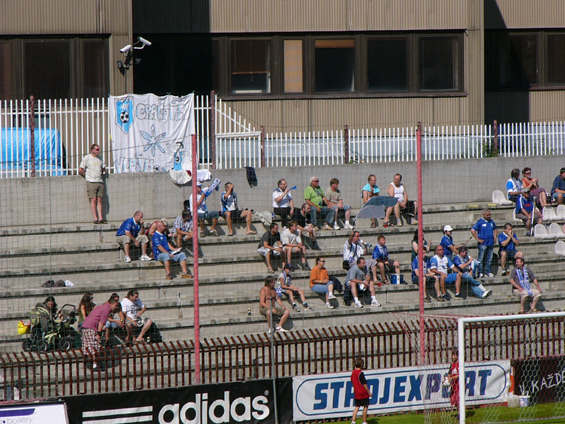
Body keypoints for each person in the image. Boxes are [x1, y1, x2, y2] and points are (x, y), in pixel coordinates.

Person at [81, 296, 120, 371]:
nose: (116, 308)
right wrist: (99, 334)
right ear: (113, 304)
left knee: (87, 346)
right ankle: (94, 364)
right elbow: (101, 323)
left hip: (85, 326)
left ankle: (88, 363)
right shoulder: (106, 310)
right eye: (116, 306)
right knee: (94, 346)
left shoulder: (102, 307)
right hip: (91, 328)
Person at [79, 143, 106, 224]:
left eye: (99, 149)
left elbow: (103, 168)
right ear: (93, 150)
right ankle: (95, 218)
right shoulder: (87, 158)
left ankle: (101, 218)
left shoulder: (100, 158)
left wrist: (101, 172)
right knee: (93, 199)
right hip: (91, 182)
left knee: (99, 199)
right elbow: (80, 169)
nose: (99, 151)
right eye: (97, 149)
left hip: (99, 181)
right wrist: (87, 176)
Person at [470, 209, 498, 278]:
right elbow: (473, 230)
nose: (489, 216)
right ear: (483, 215)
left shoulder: (491, 222)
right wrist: (478, 239)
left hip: (490, 243)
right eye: (487, 215)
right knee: (481, 258)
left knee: (489, 259)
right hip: (483, 244)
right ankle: (480, 272)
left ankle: (487, 272)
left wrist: (495, 237)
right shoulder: (480, 222)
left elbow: (495, 229)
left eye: (489, 214)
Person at [350, 357, 372, 424]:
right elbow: (364, 384)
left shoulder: (353, 372)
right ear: (361, 364)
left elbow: (352, 380)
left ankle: (353, 421)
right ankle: (364, 421)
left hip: (357, 393)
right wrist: (369, 392)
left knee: (357, 407)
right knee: (365, 406)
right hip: (363, 392)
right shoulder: (360, 373)